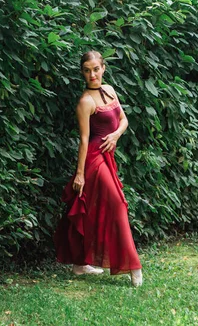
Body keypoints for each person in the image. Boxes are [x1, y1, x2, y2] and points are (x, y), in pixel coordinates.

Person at [54, 50, 143, 287]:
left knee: (93, 209)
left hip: (108, 156)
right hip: (94, 159)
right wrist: (80, 174)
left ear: (103, 68)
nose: (92, 74)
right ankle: (133, 265)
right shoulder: (85, 102)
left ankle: (80, 265)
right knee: (117, 204)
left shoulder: (110, 90)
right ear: (82, 72)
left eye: (96, 69)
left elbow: (124, 120)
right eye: (87, 70)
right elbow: (84, 140)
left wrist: (115, 135)